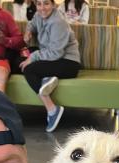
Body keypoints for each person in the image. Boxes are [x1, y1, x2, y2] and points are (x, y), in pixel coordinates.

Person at [19, 0, 81, 133]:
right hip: (52, 59)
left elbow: (55, 53)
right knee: (18, 60)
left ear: (53, 5)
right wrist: (28, 31)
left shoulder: (58, 22)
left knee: (29, 69)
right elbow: (32, 23)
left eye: (46, 3)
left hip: (68, 63)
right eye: (39, 4)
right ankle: (46, 78)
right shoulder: (38, 15)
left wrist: (33, 57)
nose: (42, 8)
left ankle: (52, 109)